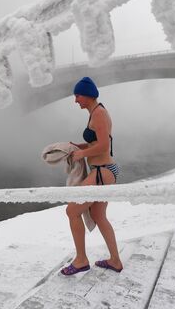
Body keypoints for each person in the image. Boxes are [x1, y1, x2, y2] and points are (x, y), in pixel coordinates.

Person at [60, 76, 124, 276]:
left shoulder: (99, 114)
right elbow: (98, 142)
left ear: (87, 94)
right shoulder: (95, 112)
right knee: (98, 215)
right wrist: (83, 146)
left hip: (102, 171)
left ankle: (81, 260)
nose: (75, 100)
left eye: (77, 95)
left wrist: (81, 154)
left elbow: (105, 146)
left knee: (72, 211)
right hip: (103, 171)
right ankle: (115, 260)